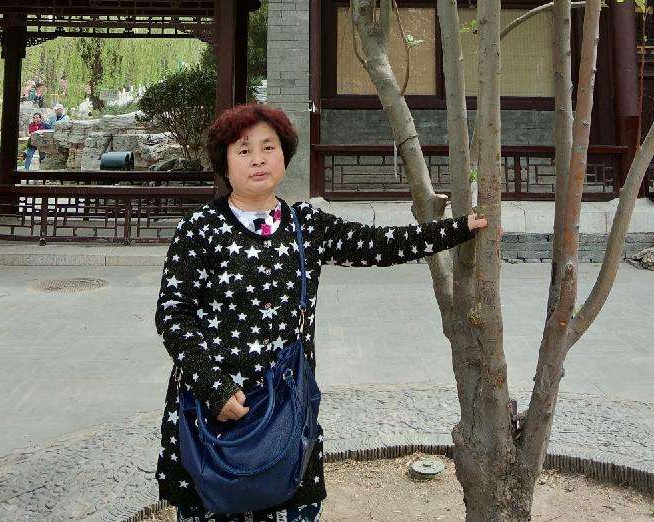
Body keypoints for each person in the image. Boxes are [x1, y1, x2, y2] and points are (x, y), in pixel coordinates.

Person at [155, 103, 489, 522]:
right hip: (213, 410)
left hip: (288, 408)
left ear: (285, 155)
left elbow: (380, 244)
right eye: (243, 150)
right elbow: (174, 313)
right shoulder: (200, 228)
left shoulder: (305, 225)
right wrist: (213, 386)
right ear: (225, 162)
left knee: (292, 507)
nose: (258, 159)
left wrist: (458, 228)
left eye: (268, 147)